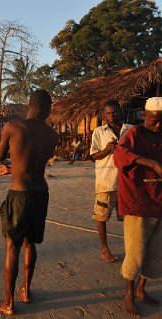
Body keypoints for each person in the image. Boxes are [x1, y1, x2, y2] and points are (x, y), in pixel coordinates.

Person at [0, 90, 58, 315]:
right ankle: (26, 291)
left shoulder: (13, 127)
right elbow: (33, 164)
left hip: (20, 194)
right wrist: (8, 170)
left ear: (29, 105)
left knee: (12, 246)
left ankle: (8, 303)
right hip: (40, 193)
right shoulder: (53, 135)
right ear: (48, 109)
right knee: (30, 243)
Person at [113, 97, 162, 317]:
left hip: (159, 198)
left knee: (154, 250)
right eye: (154, 120)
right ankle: (128, 294)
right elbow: (120, 155)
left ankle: (141, 289)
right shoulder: (133, 134)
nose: (158, 125)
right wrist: (151, 162)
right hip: (138, 199)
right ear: (144, 116)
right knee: (136, 250)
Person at [89, 100, 131, 263]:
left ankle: (131, 248)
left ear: (120, 111)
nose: (112, 115)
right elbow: (93, 156)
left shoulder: (130, 130)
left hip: (127, 183)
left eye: (115, 112)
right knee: (101, 217)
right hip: (106, 182)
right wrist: (107, 150)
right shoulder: (99, 132)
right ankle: (104, 248)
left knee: (129, 219)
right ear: (104, 115)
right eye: (108, 113)